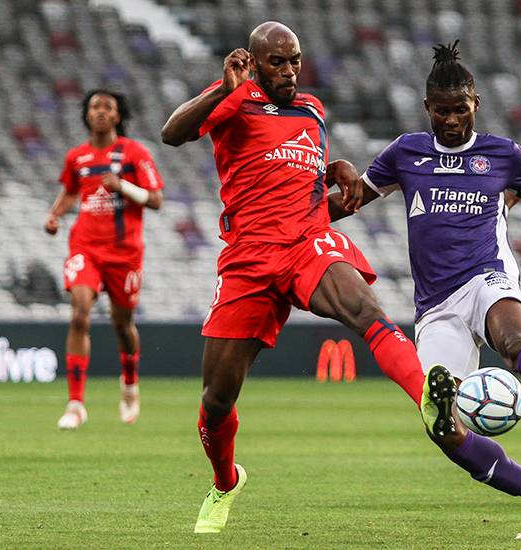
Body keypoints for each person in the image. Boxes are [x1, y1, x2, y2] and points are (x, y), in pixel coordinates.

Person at [160, 21, 426, 534]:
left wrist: (336, 169)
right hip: (248, 257)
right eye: (277, 62)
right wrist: (224, 87)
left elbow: (296, 176)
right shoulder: (236, 98)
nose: (289, 70)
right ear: (256, 62)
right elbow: (172, 133)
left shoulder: (312, 111)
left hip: (306, 243)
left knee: (363, 306)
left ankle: (428, 402)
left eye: (295, 60)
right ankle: (225, 481)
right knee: (216, 400)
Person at [329, 41, 521, 541]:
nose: (451, 121)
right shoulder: (406, 153)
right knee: (443, 427)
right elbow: (353, 200)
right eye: (442, 112)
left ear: (476, 104)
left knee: (514, 339)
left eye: (461, 110)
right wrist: (291, 221)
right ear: (427, 108)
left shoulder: (503, 155)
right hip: (436, 305)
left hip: (487, 277)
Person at [45, 89, 164, 430]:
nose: (100, 112)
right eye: (94, 106)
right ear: (86, 114)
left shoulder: (134, 153)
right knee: (79, 313)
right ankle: (76, 404)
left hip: (125, 253)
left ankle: (129, 385)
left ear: (117, 116)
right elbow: (71, 191)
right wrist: (54, 215)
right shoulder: (77, 157)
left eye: (107, 107)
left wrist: (123, 187)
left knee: (122, 325)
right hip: (85, 247)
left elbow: (156, 199)